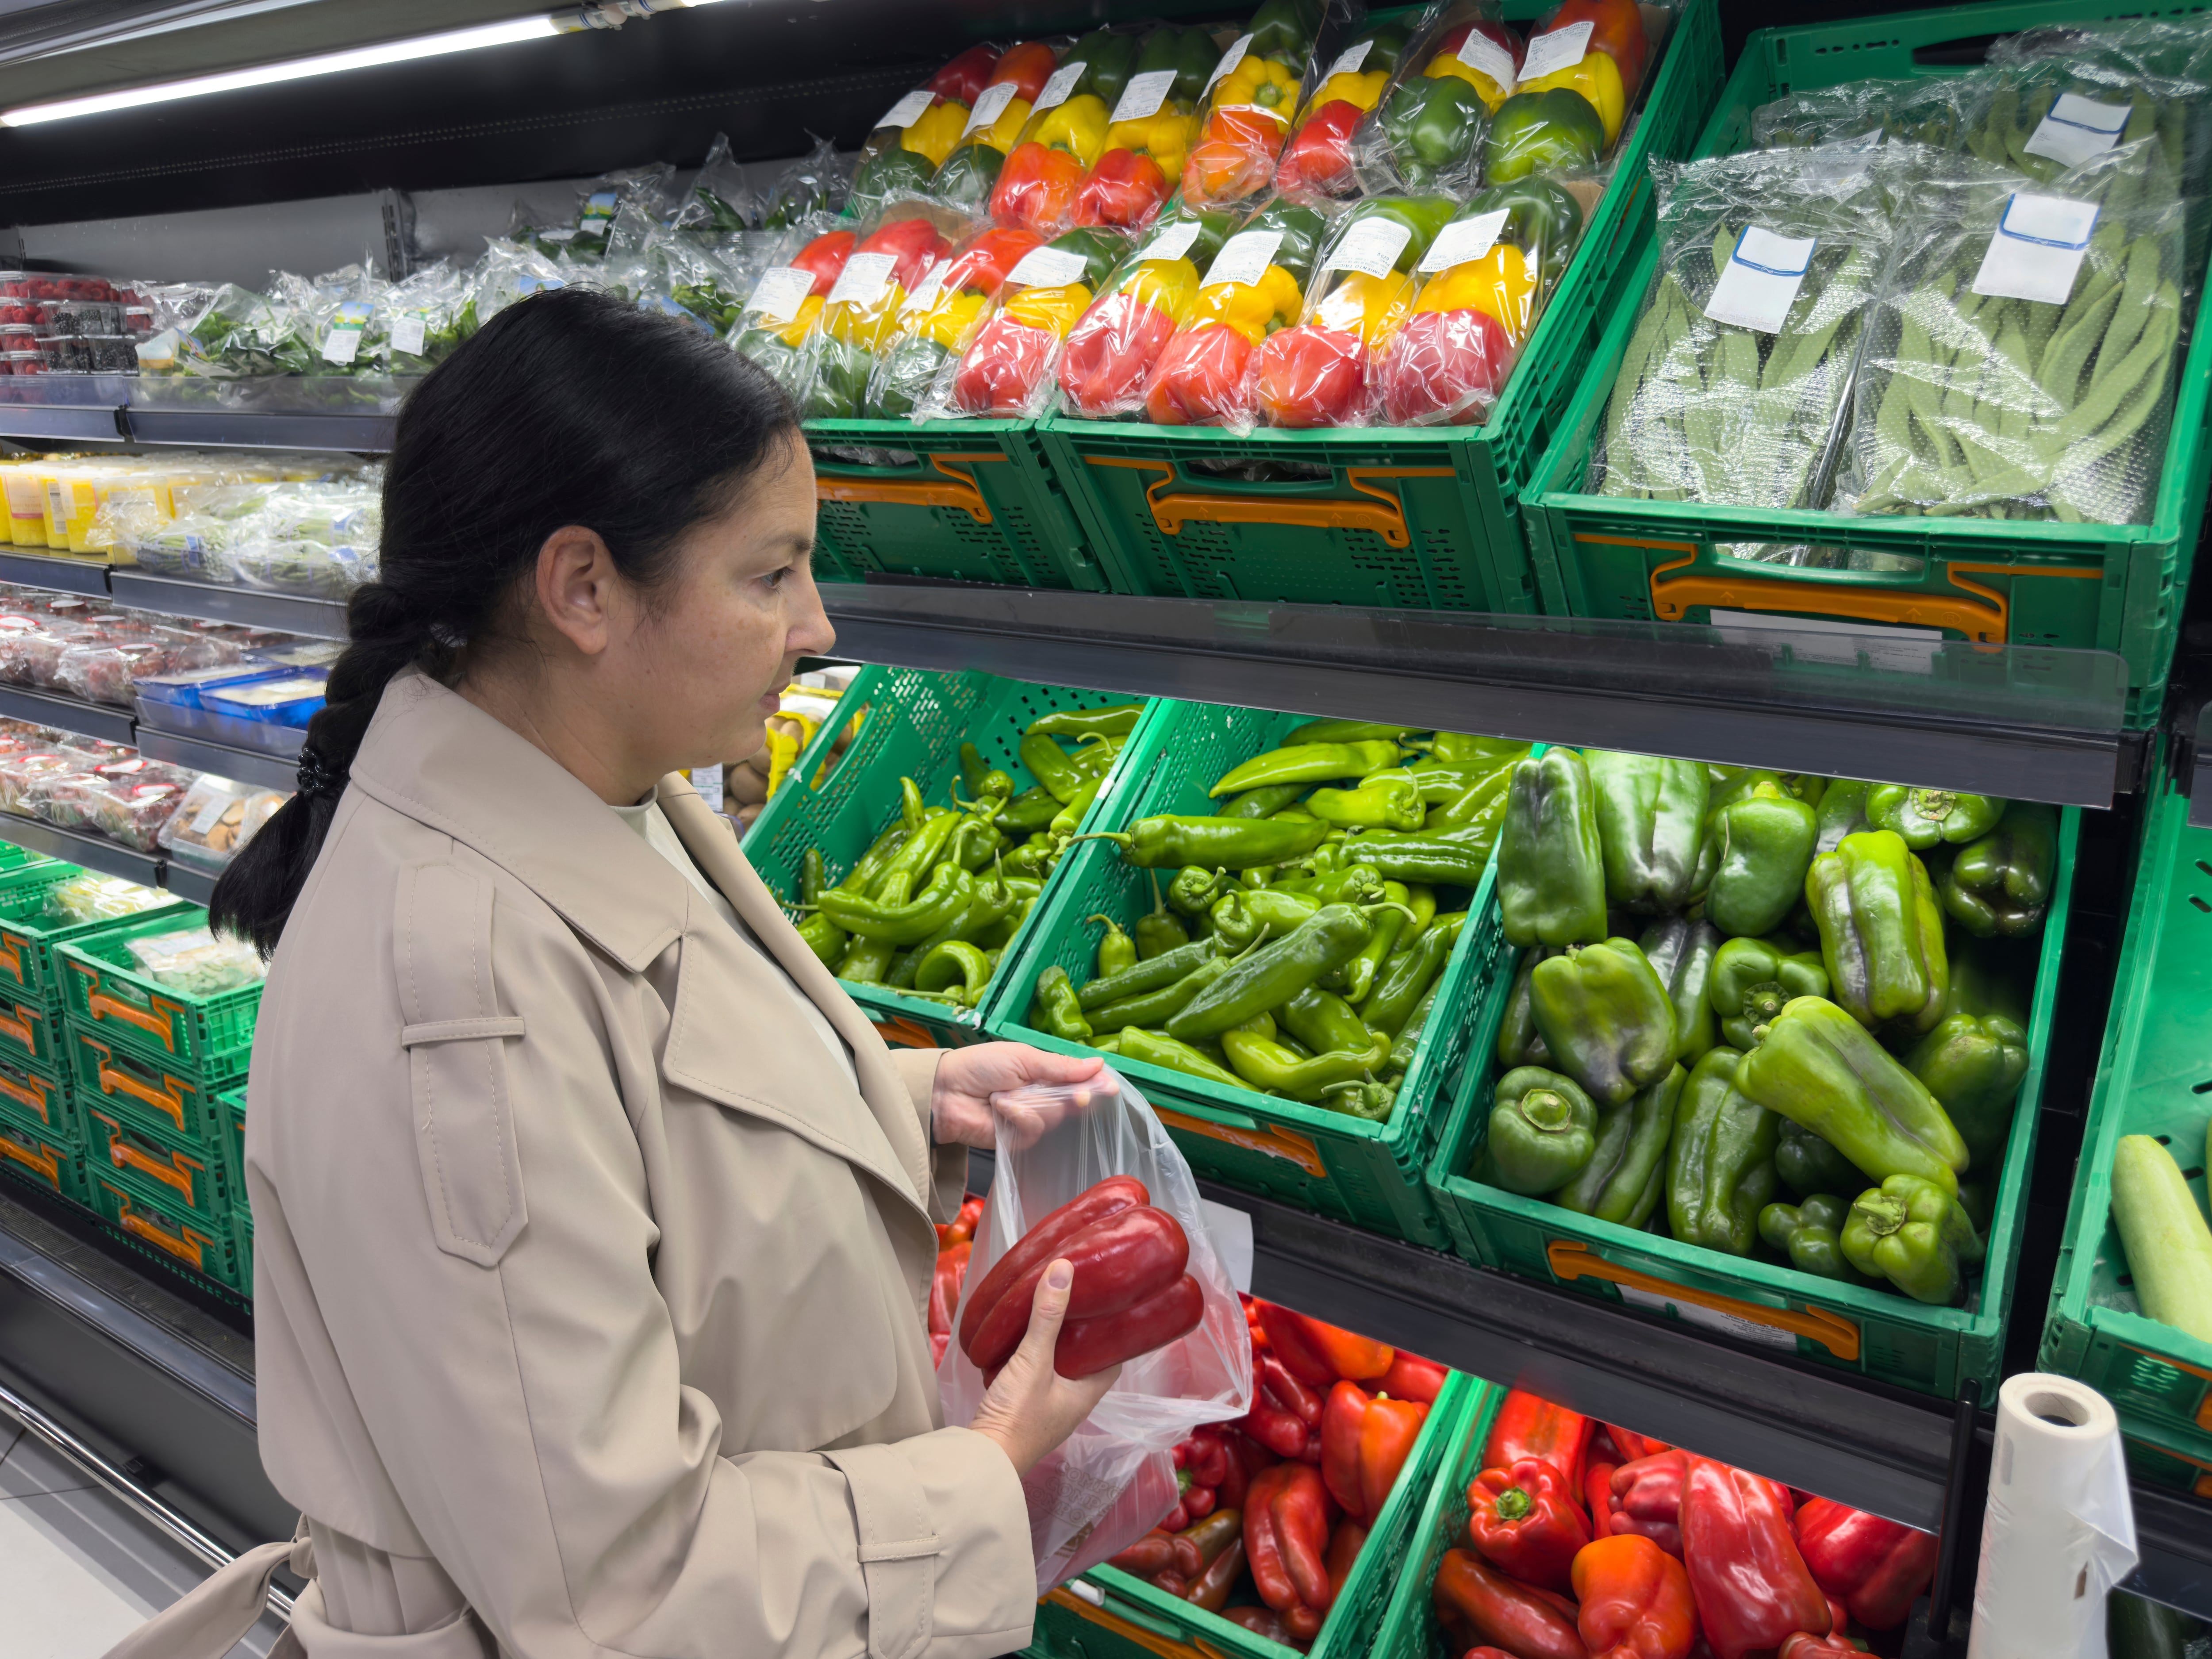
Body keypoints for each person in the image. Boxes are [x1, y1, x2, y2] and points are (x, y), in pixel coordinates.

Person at [112, 288, 1122, 1659]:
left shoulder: (596, 782)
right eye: (770, 576)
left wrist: (895, 1097)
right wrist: (985, 1470)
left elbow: (632, 1111)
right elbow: (617, 1588)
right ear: (584, 588)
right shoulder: (449, 995)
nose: (817, 625)